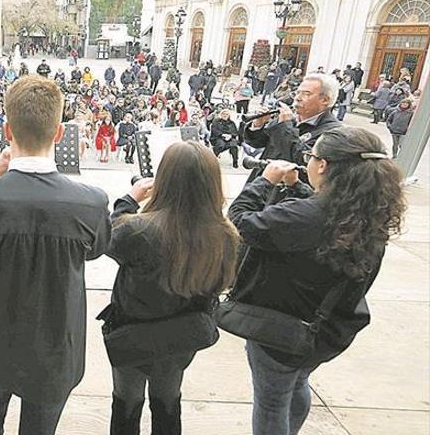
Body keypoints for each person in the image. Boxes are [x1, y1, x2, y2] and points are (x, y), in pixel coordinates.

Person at [0, 75, 111, 434]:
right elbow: (97, 249)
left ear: (8, 130)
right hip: (55, 350)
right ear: (60, 134)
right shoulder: (90, 202)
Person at [227, 126, 405, 435]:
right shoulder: (367, 211)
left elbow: (241, 222)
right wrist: (299, 190)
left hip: (282, 330)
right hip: (325, 330)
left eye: (312, 156)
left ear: (322, 165)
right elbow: (317, 219)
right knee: (295, 385)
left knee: (272, 403)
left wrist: (264, 181)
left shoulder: (308, 216)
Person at [104, 141, 239, 434]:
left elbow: (108, 238)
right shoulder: (224, 234)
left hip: (133, 332)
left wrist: (129, 199)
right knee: (168, 400)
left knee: (126, 400)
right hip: (182, 334)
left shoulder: (139, 229)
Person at [244, 73, 340, 179]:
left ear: (325, 100)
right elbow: (257, 143)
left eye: (306, 94)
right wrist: (258, 125)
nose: (298, 98)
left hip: (289, 191)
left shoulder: (333, 132)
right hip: (262, 182)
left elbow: (303, 160)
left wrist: (285, 127)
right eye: (297, 93)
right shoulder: (290, 118)